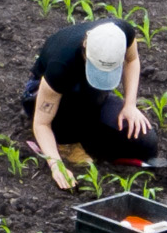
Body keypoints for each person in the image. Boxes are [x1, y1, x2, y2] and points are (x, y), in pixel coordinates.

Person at [27, 17, 156, 190]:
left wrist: (130, 105)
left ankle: (88, 137)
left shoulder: (122, 33)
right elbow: (41, 123)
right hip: (50, 94)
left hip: (93, 96)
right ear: (86, 48)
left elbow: (132, 60)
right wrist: (55, 165)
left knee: (145, 143)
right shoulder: (61, 64)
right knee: (74, 108)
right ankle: (65, 142)